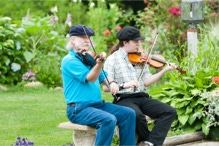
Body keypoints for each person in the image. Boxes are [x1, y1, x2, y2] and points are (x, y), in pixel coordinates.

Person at [61, 24, 137, 146]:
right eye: (83, 37)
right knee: (108, 120)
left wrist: (112, 83)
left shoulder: (87, 58)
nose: (87, 40)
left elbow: (104, 76)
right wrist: (99, 64)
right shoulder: (70, 60)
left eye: (88, 37)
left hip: (96, 105)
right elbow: (90, 78)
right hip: (78, 108)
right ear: (73, 40)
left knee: (128, 114)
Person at [103, 26, 177, 146]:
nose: (139, 44)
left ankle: (150, 143)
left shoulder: (141, 58)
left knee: (169, 111)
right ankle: (148, 140)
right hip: (123, 99)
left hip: (142, 97)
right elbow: (106, 87)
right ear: (125, 42)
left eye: (139, 41)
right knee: (137, 115)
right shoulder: (112, 59)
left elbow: (146, 81)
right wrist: (123, 85)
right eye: (136, 41)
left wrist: (164, 70)